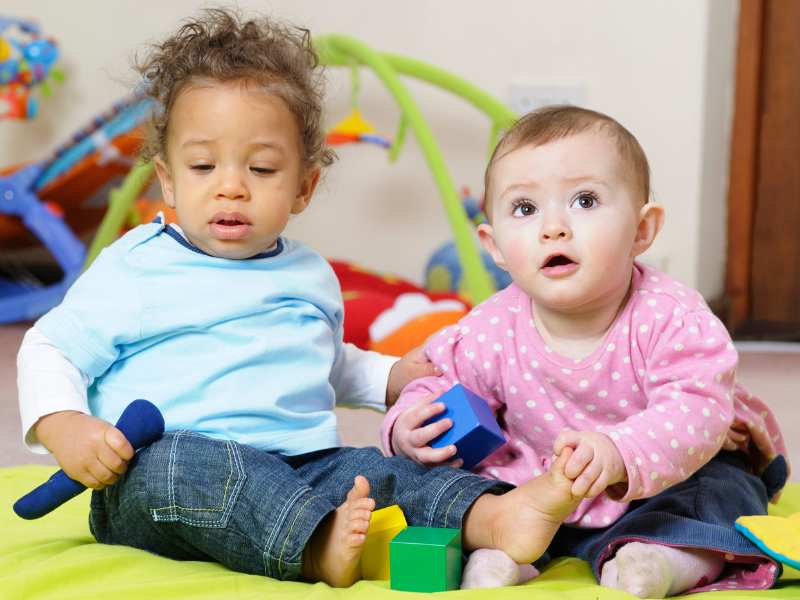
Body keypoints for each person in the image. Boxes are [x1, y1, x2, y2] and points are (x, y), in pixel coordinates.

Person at [16, 10, 586, 588]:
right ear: (167, 180)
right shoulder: (137, 266)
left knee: (379, 472)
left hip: (304, 466)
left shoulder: (308, 273)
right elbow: (48, 346)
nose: (231, 185)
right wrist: (63, 424)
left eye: (261, 168)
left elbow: (324, 360)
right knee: (180, 465)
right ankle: (314, 547)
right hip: (156, 483)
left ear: (303, 187)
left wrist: (391, 376)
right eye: (202, 165)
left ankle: (496, 517)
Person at [382, 105, 790, 597]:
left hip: (657, 485)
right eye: (525, 209)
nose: (553, 227)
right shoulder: (490, 328)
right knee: (438, 489)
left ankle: (664, 559)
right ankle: (505, 551)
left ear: (641, 231)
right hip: (532, 491)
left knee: (726, 491)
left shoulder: (670, 316)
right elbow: (433, 379)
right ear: (494, 245)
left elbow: (698, 408)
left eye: (585, 200)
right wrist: (410, 422)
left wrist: (622, 451)